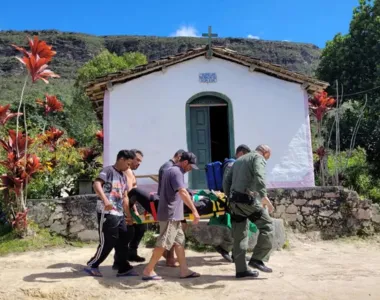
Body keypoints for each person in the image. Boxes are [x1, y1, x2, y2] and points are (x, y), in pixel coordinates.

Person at [142, 152, 201, 280]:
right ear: (185, 163)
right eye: (190, 166)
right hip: (171, 215)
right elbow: (182, 192)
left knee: (179, 242)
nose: (190, 169)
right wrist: (194, 211)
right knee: (164, 242)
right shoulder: (176, 172)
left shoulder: (170, 170)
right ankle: (148, 270)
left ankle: (184, 270)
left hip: (174, 215)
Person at [223, 144, 275, 279]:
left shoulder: (238, 160)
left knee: (240, 235)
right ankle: (257, 259)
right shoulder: (258, 157)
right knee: (268, 226)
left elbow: (226, 181)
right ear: (266, 152)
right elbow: (259, 174)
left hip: (234, 202)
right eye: (269, 156)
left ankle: (241, 270)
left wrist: (230, 197)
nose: (268, 159)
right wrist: (263, 196)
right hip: (248, 201)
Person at [84, 150, 138, 278]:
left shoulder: (124, 176)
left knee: (125, 236)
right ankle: (92, 264)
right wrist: (106, 200)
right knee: (109, 240)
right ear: (121, 160)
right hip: (106, 212)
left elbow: (125, 197)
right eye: (128, 164)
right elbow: (96, 184)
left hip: (119, 213)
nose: (129, 167)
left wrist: (129, 216)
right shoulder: (108, 171)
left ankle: (122, 266)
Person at [215, 144, 251, 263]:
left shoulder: (239, 165)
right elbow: (227, 183)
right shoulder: (232, 165)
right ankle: (225, 248)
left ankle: (237, 253)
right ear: (240, 153)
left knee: (240, 227)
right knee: (237, 227)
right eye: (246, 155)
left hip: (240, 200)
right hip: (234, 201)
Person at [112, 149, 145, 270]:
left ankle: (132, 253)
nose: (138, 163)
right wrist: (128, 213)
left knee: (140, 228)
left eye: (140, 161)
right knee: (126, 233)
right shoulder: (124, 172)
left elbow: (132, 196)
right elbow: (126, 194)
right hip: (121, 207)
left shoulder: (131, 173)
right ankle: (119, 261)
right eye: (137, 160)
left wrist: (135, 210)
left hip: (129, 206)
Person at [157, 149, 185, 267]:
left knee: (179, 230)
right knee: (168, 235)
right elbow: (169, 188)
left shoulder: (169, 167)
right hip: (169, 205)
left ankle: (171, 257)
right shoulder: (169, 168)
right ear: (178, 157)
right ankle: (168, 258)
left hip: (173, 205)